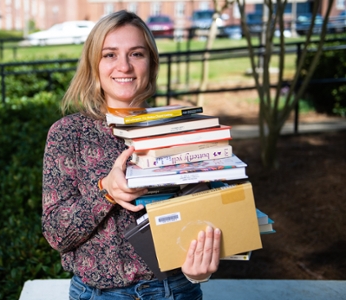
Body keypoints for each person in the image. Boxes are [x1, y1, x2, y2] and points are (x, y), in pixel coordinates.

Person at [42, 10, 221, 300]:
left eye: (136, 54)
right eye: (110, 54)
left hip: (175, 290)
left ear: (151, 62)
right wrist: (106, 191)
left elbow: (205, 217)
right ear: (93, 64)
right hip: (98, 294)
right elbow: (56, 234)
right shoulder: (67, 134)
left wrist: (198, 270)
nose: (123, 66)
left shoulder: (181, 130)